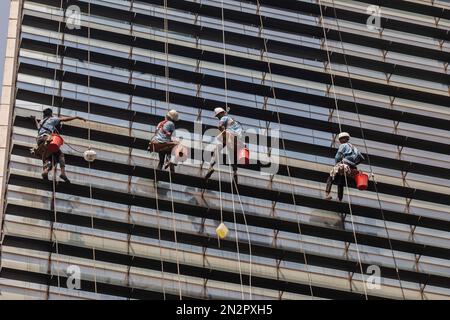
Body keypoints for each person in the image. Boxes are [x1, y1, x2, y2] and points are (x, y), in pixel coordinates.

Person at [32, 108, 85, 182]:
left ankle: (46, 171)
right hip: (45, 139)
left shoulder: (41, 122)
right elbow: (64, 119)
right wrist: (76, 117)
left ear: (44, 114)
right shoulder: (52, 119)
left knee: (53, 159)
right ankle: (63, 173)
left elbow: (38, 127)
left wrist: (34, 120)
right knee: (61, 155)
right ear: (50, 114)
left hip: (39, 141)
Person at [206, 108, 244, 181]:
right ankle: (235, 172)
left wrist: (222, 130)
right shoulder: (232, 121)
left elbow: (220, 126)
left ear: (221, 113)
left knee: (217, 149)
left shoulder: (223, 118)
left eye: (218, 116)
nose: (218, 118)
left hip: (228, 134)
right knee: (232, 154)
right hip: (236, 138)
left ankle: (210, 166)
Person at [325, 132, 365, 201]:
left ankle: (327, 194)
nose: (340, 141)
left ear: (344, 139)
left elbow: (337, 157)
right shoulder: (354, 147)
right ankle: (340, 198)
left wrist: (337, 164)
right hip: (352, 168)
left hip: (345, 165)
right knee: (341, 181)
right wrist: (354, 163)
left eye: (340, 139)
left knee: (331, 177)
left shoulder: (343, 145)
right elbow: (361, 158)